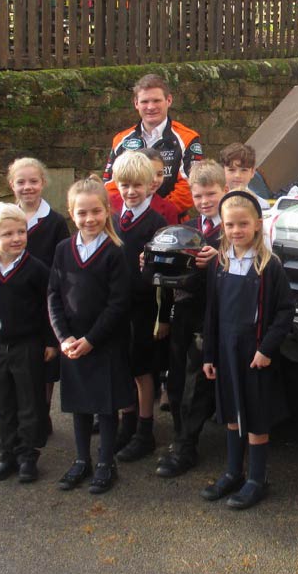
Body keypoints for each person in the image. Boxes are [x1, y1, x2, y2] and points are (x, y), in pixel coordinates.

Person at [200, 190, 294, 510]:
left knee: (255, 416)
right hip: (226, 350)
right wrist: (209, 355)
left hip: (254, 354)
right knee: (230, 412)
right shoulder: (220, 264)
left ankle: (256, 478)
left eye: (243, 224)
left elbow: (285, 312)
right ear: (222, 227)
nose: (236, 230)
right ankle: (232, 472)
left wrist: (266, 348)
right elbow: (212, 313)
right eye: (229, 225)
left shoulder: (269, 266)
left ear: (257, 224)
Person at [48, 176, 133, 494]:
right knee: (79, 405)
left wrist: (91, 340)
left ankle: (105, 463)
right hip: (72, 343)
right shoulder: (62, 250)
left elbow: (118, 303)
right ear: (72, 213)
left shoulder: (115, 251)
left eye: (96, 211)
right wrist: (64, 337)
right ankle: (82, 460)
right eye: (82, 213)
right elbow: (53, 295)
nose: (89, 219)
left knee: (106, 407)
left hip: (103, 342)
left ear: (107, 211)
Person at [0, 202, 56, 483]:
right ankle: (7, 452)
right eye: (7, 234)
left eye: (21, 232)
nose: (16, 238)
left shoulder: (36, 269)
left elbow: (49, 307)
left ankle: (28, 455)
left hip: (28, 345)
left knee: (29, 401)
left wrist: (49, 341)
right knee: (3, 402)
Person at [155, 160, 225, 479]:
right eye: (198, 196)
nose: (204, 201)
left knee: (197, 381)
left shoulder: (235, 226)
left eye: (211, 194)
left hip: (215, 316)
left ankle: (186, 445)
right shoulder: (190, 229)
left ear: (225, 191)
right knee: (177, 378)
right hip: (183, 313)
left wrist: (219, 259)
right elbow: (168, 275)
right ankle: (180, 435)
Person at [108, 151, 169, 463]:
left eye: (136, 186)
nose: (130, 192)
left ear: (150, 186)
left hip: (144, 308)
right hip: (118, 307)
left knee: (143, 370)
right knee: (123, 365)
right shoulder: (114, 219)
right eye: (124, 185)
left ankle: (145, 430)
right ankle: (126, 423)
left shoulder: (157, 224)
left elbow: (164, 275)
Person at [7, 157, 70, 433]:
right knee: (17, 365)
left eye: (33, 181)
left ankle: (42, 417)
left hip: (44, 302)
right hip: (14, 302)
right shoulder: (5, 218)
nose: (27, 187)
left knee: (45, 364)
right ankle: (22, 417)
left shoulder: (54, 221)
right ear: (12, 185)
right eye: (21, 182)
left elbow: (63, 262)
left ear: (43, 183)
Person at [104, 74, 204, 218]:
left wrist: (155, 213)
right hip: (128, 220)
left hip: (170, 221)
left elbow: (190, 185)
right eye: (145, 101)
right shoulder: (121, 139)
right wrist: (131, 212)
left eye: (156, 100)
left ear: (168, 100)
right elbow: (110, 185)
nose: (151, 107)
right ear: (136, 103)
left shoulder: (188, 138)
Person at [218, 142, 270, 210]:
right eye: (231, 170)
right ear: (223, 171)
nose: (238, 175)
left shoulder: (261, 205)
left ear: (252, 172)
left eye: (244, 170)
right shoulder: (215, 203)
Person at [141, 148, 181, 226]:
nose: (155, 179)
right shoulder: (116, 204)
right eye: (149, 174)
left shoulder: (168, 209)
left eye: (159, 174)